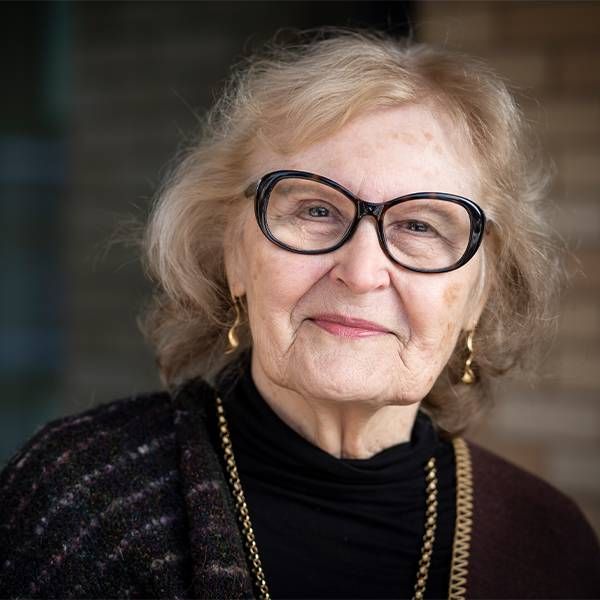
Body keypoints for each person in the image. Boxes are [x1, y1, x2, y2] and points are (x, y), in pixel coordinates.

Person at [0, 29, 598, 600]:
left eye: (420, 225)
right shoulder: (81, 494)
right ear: (235, 254)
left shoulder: (548, 541)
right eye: (315, 210)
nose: (361, 273)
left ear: (477, 293)